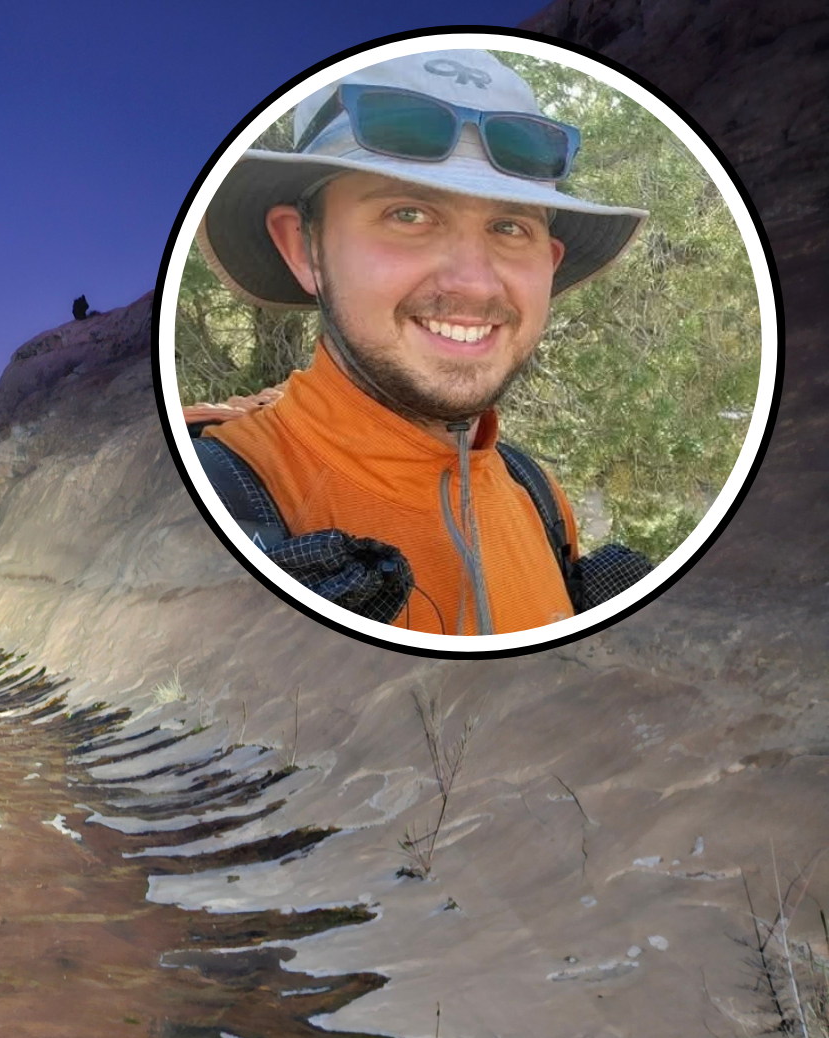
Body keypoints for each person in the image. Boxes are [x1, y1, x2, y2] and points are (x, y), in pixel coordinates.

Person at [188, 49, 656, 635]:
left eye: (510, 228)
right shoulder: (207, 505)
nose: (474, 283)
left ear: (550, 265)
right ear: (303, 248)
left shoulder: (537, 498)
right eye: (408, 214)